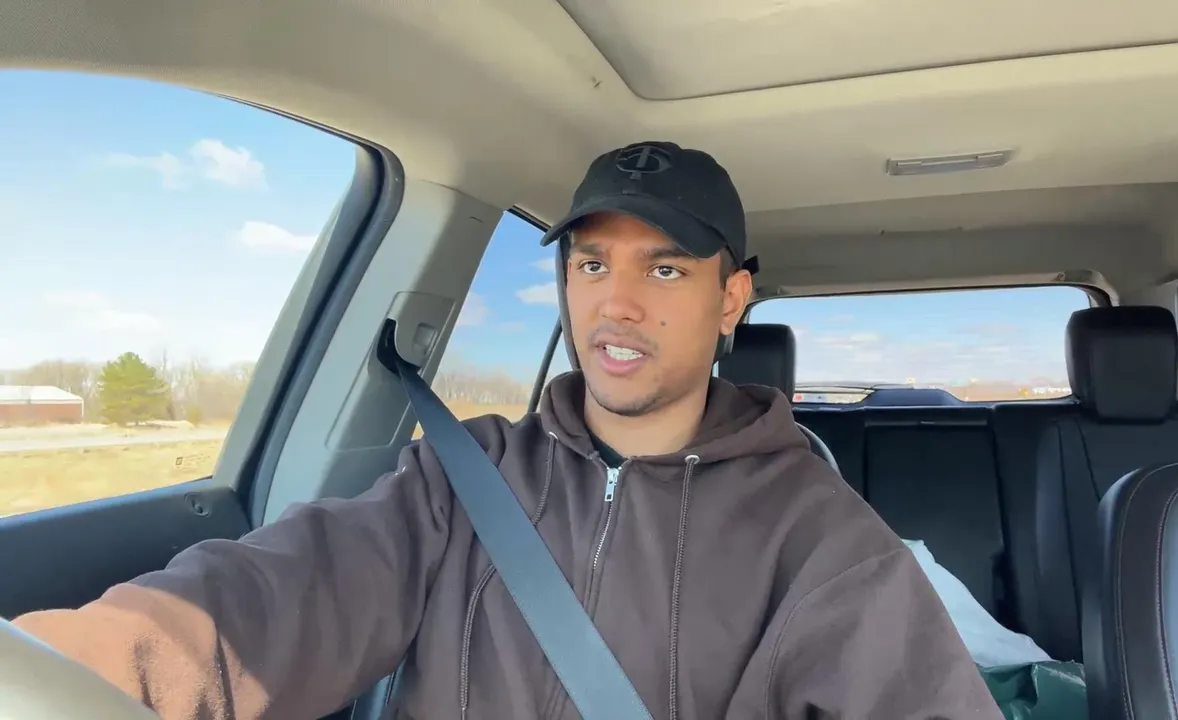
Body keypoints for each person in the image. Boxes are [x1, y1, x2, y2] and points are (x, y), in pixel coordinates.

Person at [12, 141, 1001, 719]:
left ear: (730, 298)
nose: (616, 305)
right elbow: (268, 596)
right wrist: (64, 671)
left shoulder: (820, 541)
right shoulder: (464, 477)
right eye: (591, 264)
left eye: (663, 270)